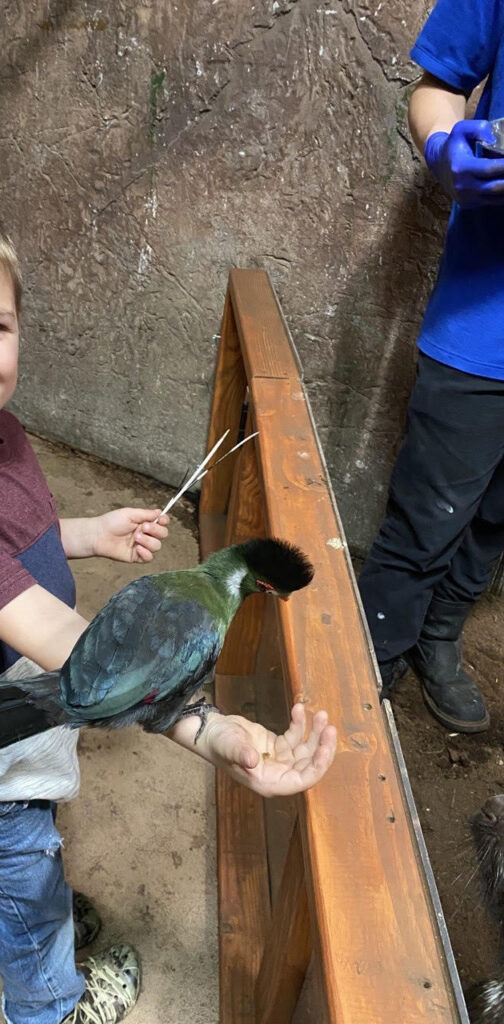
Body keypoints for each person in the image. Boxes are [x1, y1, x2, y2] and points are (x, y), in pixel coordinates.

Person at [0, 179, 337, 1024]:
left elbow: (8, 535)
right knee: (26, 885)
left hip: (21, 726)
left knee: (9, 874)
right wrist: (205, 727)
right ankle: (45, 999)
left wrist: (86, 532)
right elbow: (74, 648)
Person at [358, 0, 504, 733]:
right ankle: (374, 654)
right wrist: (449, 149)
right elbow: (436, 84)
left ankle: (438, 638)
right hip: (485, 320)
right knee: (428, 515)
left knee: (495, 521)